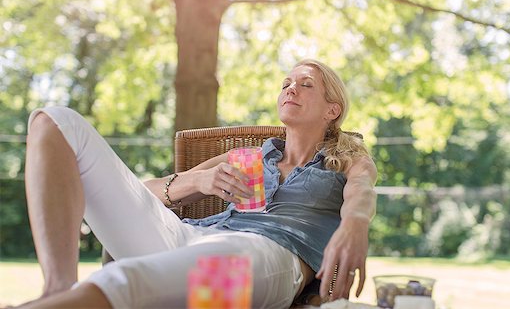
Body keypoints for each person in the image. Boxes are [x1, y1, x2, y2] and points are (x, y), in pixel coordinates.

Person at [19, 59, 377, 308]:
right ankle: (58, 287)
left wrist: (355, 225)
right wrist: (198, 180)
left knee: (129, 283)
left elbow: (361, 193)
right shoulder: (249, 156)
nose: (290, 89)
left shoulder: (346, 161)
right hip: (186, 237)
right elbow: (137, 193)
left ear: (332, 110)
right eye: (286, 83)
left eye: (306, 84)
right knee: (55, 120)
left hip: (266, 258)